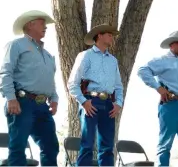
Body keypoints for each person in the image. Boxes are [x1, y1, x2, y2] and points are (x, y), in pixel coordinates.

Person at [0, 10, 59, 166]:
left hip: (43, 106)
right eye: (42, 23)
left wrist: (54, 99)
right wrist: (11, 98)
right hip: (22, 103)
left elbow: (50, 80)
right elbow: (5, 72)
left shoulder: (48, 55)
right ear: (30, 24)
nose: (45, 26)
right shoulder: (16, 45)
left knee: (51, 146)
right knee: (18, 147)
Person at [137, 31, 178, 166]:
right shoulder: (162, 61)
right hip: (171, 104)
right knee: (165, 144)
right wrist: (158, 88)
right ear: (171, 45)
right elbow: (143, 70)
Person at [67, 24, 123, 166]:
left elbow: (118, 85)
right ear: (99, 36)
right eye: (109, 34)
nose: (112, 37)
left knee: (107, 146)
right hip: (90, 101)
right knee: (87, 144)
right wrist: (83, 102)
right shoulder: (85, 55)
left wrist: (119, 103)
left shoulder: (113, 60)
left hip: (108, 103)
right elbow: (72, 83)